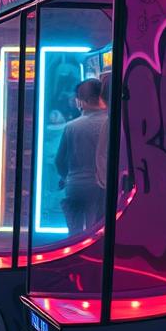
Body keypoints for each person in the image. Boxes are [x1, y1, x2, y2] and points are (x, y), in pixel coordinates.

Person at [55, 77, 108, 236]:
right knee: (96, 230)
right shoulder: (112, 123)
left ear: (81, 101)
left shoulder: (71, 127)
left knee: (74, 233)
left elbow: (59, 160)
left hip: (75, 185)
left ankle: (74, 257)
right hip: (101, 188)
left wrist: (65, 177)